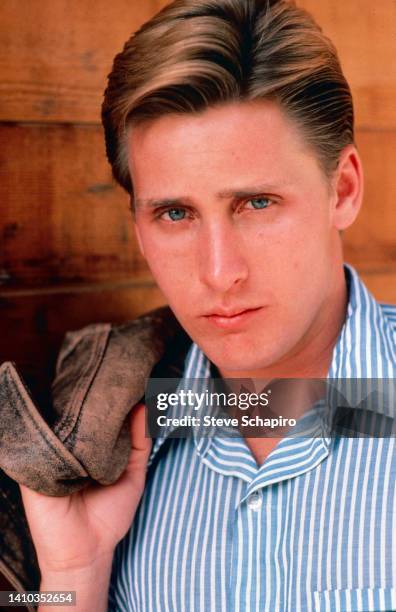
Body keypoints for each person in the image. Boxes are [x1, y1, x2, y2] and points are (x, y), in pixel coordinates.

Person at [20, 0, 396, 610]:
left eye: (257, 203)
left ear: (343, 189)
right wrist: (73, 577)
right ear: (139, 228)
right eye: (176, 214)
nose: (219, 272)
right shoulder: (96, 444)